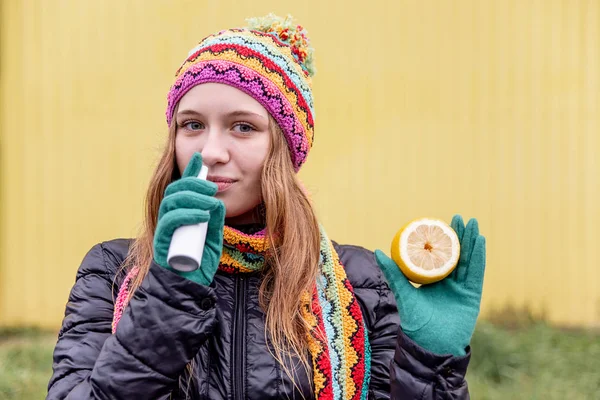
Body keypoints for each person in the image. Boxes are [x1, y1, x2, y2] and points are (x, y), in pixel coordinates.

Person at [47, 13, 486, 400]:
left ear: (284, 149)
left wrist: (430, 364)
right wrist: (166, 299)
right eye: (192, 125)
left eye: (242, 127)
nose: (212, 150)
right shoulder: (111, 270)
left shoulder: (362, 282)